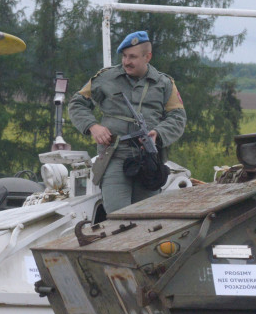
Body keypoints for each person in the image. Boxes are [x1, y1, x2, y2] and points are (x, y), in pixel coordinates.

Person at [68, 30, 187, 214]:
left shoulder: (164, 83)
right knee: (118, 215)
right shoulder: (105, 78)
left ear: (147, 57)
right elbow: (77, 104)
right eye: (124, 56)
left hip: (147, 158)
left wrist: (159, 133)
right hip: (114, 155)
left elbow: (178, 117)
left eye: (132, 57)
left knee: (147, 217)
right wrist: (93, 126)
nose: (126, 62)